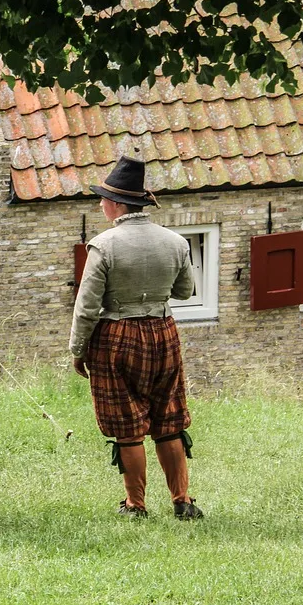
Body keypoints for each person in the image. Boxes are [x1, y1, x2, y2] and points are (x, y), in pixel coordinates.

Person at [69, 156, 204, 520]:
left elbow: (87, 306)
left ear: (116, 204)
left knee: (127, 424)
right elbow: (185, 291)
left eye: (102, 199)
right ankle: (183, 501)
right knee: (169, 417)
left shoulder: (103, 245)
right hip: (164, 334)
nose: (100, 204)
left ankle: (136, 504)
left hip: (116, 336)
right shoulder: (176, 242)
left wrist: (78, 350)